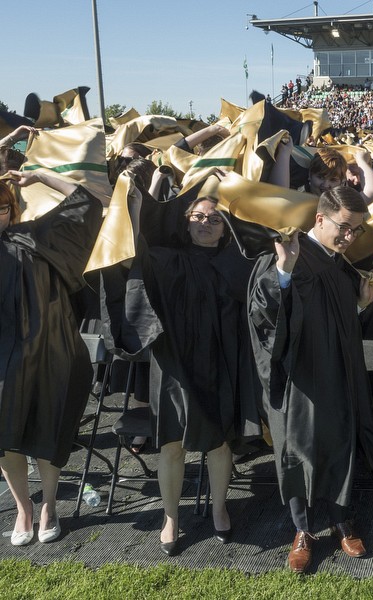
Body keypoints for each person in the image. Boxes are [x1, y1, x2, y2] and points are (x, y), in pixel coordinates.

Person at [98, 179, 259, 556]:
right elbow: (130, 253)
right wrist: (133, 207)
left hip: (221, 363)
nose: (204, 223)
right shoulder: (167, 259)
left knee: (219, 443)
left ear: (225, 228)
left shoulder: (238, 264)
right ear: (186, 221)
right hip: (173, 363)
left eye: (214, 220)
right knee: (171, 443)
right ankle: (171, 516)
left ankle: (219, 507)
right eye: (197, 216)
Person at [248, 186, 373, 574]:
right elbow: (265, 316)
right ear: (320, 219)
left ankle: (341, 520)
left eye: (356, 231)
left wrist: (360, 305)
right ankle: (302, 530)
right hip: (300, 378)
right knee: (299, 447)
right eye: (344, 228)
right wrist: (284, 272)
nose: (350, 237)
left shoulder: (335, 262)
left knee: (339, 442)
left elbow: (331, 318)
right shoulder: (287, 254)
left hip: (340, 372)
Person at [0, 170, 102, 546]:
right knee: (4, 438)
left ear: (12, 209)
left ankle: (48, 505)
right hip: (1, 363)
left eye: (2, 208)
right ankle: (23, 507)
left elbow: (86, 202)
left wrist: (41, 175)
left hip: (50, 351)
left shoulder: (37, 235)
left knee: (49, 427)